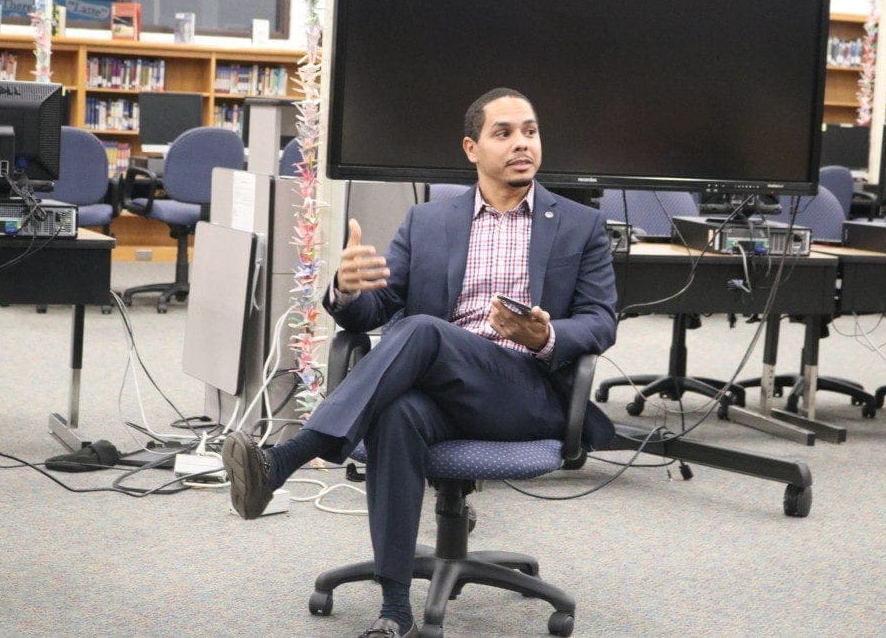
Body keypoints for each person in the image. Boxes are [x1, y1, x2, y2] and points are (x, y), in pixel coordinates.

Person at [222, 87, 617, 637]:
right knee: (396, 414)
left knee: (422, 331)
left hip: (523, 392)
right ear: (471, 148)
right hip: (441, 392)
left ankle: (293, 455)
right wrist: (346, 290)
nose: (522, 143)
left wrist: (546, 333)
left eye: (529, 131)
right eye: (503, 133)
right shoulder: (427, 222)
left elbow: (602, 320)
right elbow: (376, 310)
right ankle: (395, 612)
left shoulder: (578, 224)